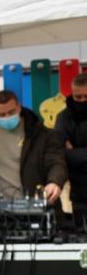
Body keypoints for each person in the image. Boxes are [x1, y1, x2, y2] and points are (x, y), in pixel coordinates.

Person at [53, 72, 87, 224]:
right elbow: (59, 152)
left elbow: (69, 154)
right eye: (78, 97)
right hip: (78, 193)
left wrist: (74, 152)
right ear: (72, 94)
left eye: (86, 96)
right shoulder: (64, 117)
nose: (82, 101)